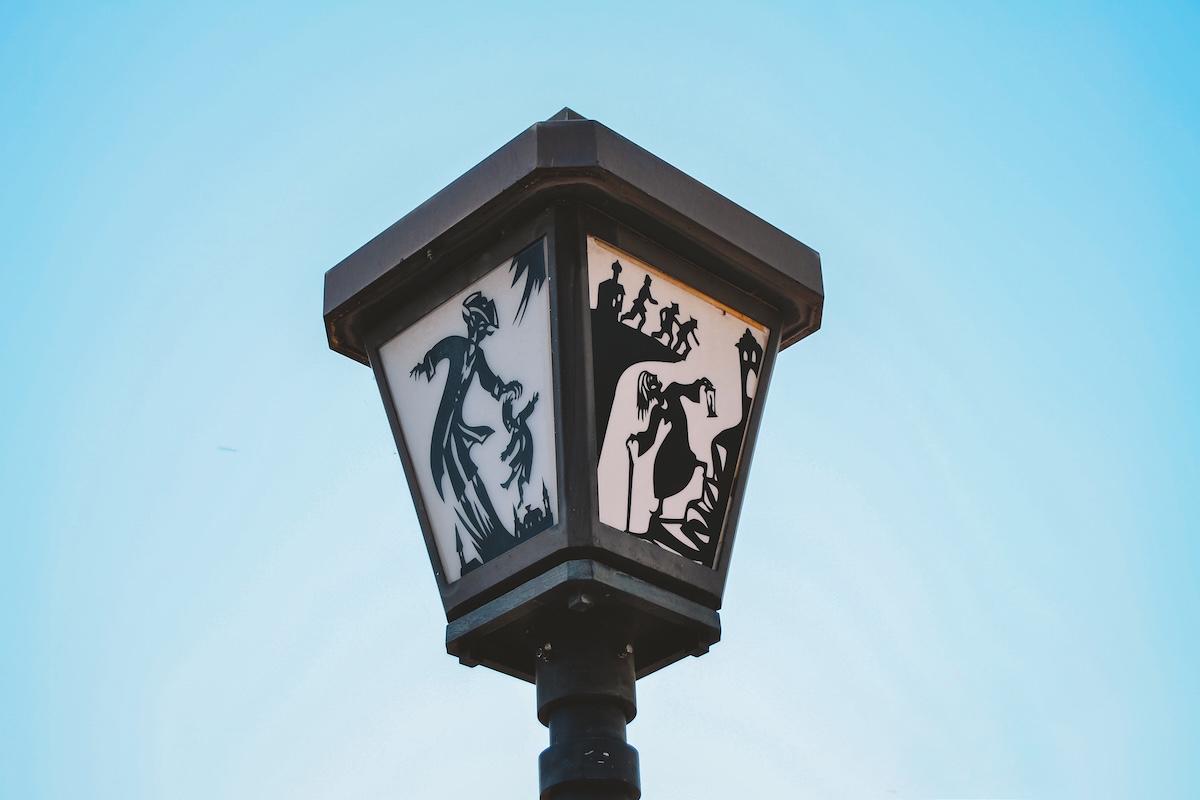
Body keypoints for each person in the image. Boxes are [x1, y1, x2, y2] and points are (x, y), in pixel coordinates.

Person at [410, 291, 522, 572]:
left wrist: (507, 390)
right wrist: (421, 372)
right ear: (471, 321)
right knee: (459, 482)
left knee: (469, 475)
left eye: (485, 328)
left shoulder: (479, 355)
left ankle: (493, 535)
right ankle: (483, 539)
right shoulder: (455, 344)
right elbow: (428, 360)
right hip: (445, 427)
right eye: (480, 325)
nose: (482, 331)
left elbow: (491, 383)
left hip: (458, 428)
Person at [626, 371, 713, 521]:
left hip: (680, 436)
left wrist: (700, 384)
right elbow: (650, 434)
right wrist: (638, 438)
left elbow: (689, 388)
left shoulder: (673, 389)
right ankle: (660, 508)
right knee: (661, 466)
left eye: (656, 378)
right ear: (650, 389)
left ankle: (701, 490)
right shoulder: (657, 410)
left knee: (684, 461)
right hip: (672, 439)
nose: (657, 380)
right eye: (653, 381)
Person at [500, 392, 539, 501]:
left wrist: (533, 402)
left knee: (518, 464)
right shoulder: (515, 430)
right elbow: (512, 445)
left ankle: (508, 483)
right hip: (523, 449)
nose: (508, 426)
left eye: (507, 422)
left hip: (527, 448)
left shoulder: (519, 419)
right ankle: (510, 485)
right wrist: (506, 453)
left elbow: (527, 411)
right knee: (516, 466)